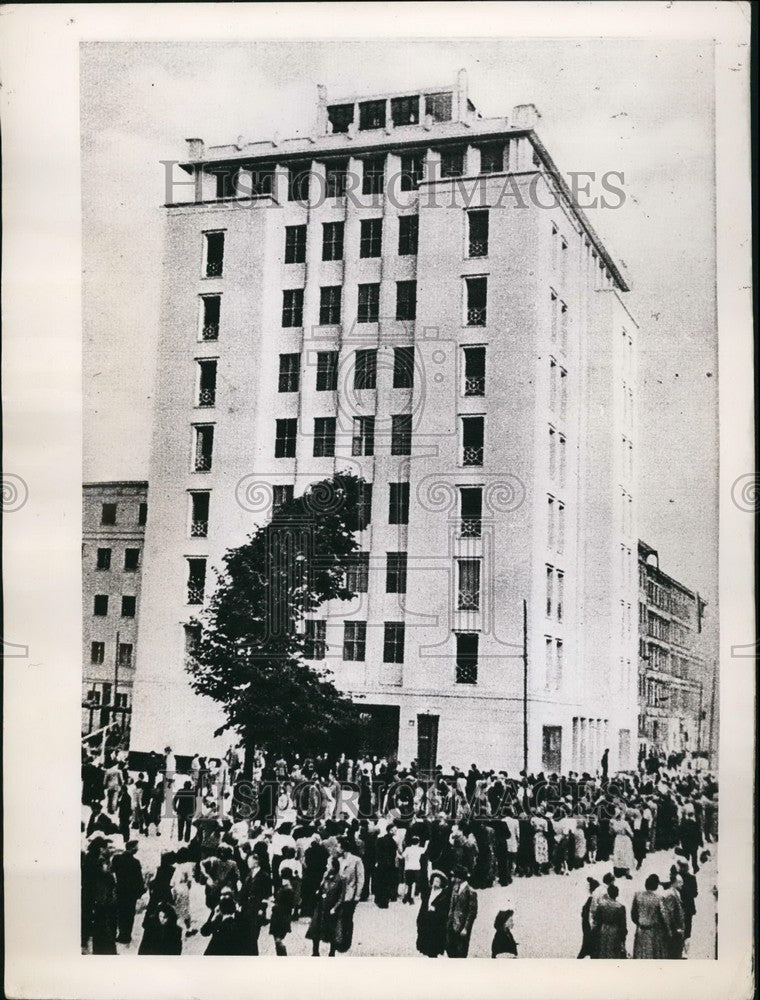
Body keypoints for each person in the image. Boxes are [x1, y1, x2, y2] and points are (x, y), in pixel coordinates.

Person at [306, 856, 344, 957]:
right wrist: (321, 885)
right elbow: (320, 889)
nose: (327, 865)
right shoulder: (325, 876)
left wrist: (335, 908)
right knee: (315, 929)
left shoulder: (340, 879)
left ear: (334, 866)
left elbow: (341, 897)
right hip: (321, 906)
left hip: (331, 907)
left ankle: (332, 953)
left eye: (329, 864)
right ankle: (315, 952)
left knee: (332, 931)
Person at [239, 845, 272, 955]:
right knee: (245, 934)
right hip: (246, 908)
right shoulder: (249, 874)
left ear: (256, 862)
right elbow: (243, 890)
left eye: (250, 861)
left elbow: (267, 895)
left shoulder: (264, 876)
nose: (248, 862)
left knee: (253, 936)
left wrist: (262, 909)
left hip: (256, 909)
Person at [334, 837, 364, 953]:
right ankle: (338, 939)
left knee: (347, 917)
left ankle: (346, 941)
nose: (337, 848)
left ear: (343, 848)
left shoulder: (356, 860)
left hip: (350, 893)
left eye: (338, 846)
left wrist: (358, 895)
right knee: (338, 917)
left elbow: (360, 878)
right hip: (339, 893)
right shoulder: (338, 860)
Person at [112, 840, 145, 945]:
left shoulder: (117, 858)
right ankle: (126, 936)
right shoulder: (135, 862)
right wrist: (140, 892)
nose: (137, 849)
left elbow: (112, 870)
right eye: (136, 847)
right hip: (131, 893)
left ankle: (121, 934)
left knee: (120, 913)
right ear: (132, 848)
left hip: (120, 890)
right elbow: (139, 880)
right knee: (129, 915)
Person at [201, 886, 247, 955]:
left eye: (227, 894)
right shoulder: (217, 913)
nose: (224, 897)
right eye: (222, 895)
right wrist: (213, 918)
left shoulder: (240, 916)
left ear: (233, 897)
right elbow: (204, 932)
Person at [416, 871, 451, 958]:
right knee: (426, 946)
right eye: (435, 881)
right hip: (426, 922)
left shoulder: (443, 895)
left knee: (434, 948)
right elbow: (423, 905)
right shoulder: (429, 892)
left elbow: (445, 910)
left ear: (441, 883)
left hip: (436, 924)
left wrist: (435, 909)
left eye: (438, 881)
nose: (436, 883)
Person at [445, 865, 478, 958]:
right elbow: (451, 905)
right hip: (452, 924)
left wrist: (466, 928)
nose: (453, 878)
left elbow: (472, 913)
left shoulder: (471, 892)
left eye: (455, 876)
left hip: (462, 926)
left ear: (460, 878)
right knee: (449, 947)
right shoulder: (455, 888)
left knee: (461, 951)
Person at [631, 874, 666, 959]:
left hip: (640, 930)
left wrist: (639, 922)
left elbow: (633, 914)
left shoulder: (638, 895)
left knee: (640, 955)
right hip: (653, 931)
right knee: (653, 955)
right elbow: (663, 916)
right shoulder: (659, 898)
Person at [592, 883, 627, 959]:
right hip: (615, 930)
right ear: (617, 894)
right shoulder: (620, 907)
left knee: (603, 950)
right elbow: (623, 925)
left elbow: (596, 918)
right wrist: (623, 939)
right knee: (613, 952)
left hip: (603, 929)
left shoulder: (602, 905)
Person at [658, 872, 686, 959]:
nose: (682, 884)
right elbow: (670, 914)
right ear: (673, 882)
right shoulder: (670, 895)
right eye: (680, 882)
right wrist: (676, 928)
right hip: (674, 932)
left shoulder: (675, 893)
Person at [269, 868, 296, 956]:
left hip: (279, 917)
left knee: (278, 940)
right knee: (278, 940)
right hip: (281, 917)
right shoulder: (287, 888)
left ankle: (282, 957)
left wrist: (273, 904)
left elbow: (283, 904)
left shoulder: (287, 889)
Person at [675, 857, 698, 949]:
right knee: (684, 929)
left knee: (686, 929)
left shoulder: (689, 878)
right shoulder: (679, 877)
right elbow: (695, 893)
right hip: (684, 907)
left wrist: (683, 889)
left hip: (686, 907)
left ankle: (683, 948)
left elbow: (695, 893)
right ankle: (682, 948)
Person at [577, 877, 599, 958]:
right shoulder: (594, 900)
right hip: (590, 930)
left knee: (584, 951)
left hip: (586, 929)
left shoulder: (589, 900)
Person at [611, 810, 635, 878]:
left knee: (618, 854)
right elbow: (631, 833)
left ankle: (618, 871)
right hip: (624, 839)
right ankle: (626, 872)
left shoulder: (613, 823)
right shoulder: (625, 823)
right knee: (626, 854)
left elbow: (612, 832)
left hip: (618, 839)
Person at [401, 835, 425, 904]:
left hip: (408, 867)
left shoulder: (408, 849)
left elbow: (403, 856)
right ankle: (411, 897)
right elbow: (425, 851)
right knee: (414, 883)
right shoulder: (420, 849)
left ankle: (405, 896)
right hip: (416, 867)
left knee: (407, 883)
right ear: (418, 843)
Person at [173, 779, 196, 843]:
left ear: (184, 785)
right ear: (190, 786)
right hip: (189, 812)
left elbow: (174, 800)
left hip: (180, 811)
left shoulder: (180, 791)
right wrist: (194, 812)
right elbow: (195, 803)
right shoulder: (192, 792)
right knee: (188, 827)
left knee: (180, 826)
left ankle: (180, 838)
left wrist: (175, 808)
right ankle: (186, 839)